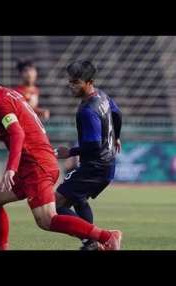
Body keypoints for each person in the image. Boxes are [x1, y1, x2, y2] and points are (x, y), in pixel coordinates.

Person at [0, 51, 122, 251]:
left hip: (36, 166)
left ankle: (107, 236)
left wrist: (10, 169)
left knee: (47, 220)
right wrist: (0, 136)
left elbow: (18, 134)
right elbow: (23, 127)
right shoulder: (10, 93)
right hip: (34, 163)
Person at [55, 60, 122, 251]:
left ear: (89, 81)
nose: (71, 85)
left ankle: (103, 239)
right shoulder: (102, 96)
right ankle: (93, 243)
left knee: (55, 205)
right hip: (105, 164)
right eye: (70, 81)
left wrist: (70, 152)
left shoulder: (87, 110)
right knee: (78, 198)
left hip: (95, 166)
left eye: (76, 82)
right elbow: (117, 114)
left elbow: (93, 144)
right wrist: (116, 136)